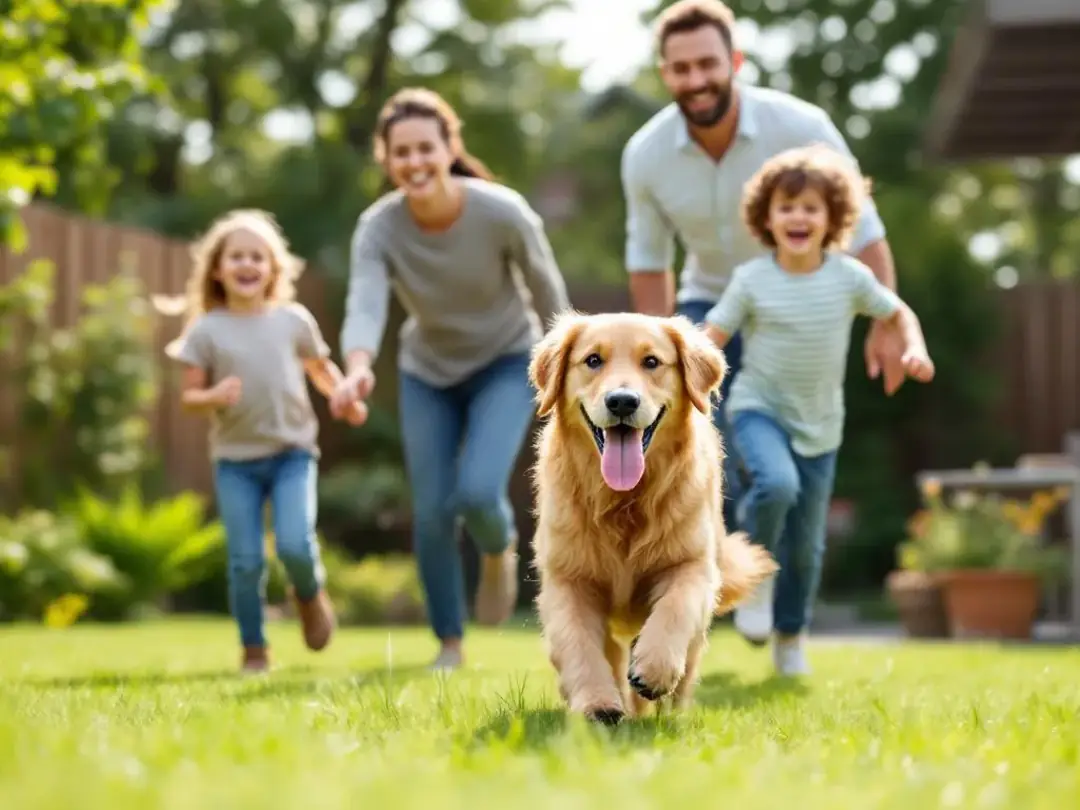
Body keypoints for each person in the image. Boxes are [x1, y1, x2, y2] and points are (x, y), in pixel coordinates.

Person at [619, 0, 907, 611]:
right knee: (711, 444)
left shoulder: (801, 126)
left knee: (783, 468)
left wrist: (887, 322)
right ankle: (726, 575)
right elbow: (649, 260)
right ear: (664, 73)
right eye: (679, 68)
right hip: (709, 301)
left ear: (736, 61)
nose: (695, 80)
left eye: (707, 64)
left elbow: (865, 230)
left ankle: (762, 578)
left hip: (797, 297)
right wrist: (651, 359)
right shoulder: (645, 154)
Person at [328, 88, 571, 672]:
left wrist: (566, 368)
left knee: (479, 492)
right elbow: (365, 303)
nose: (414, 162)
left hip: (506, 361)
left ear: (449, 148)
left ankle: (497, 548)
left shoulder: (502, 211)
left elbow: (548, 292)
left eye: (425, 149)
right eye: (400, 152)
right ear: (386, 159)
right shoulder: (379, 228)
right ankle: (449, 643)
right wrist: (357, 367)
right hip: (427, 372)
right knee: (434, 511)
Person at [702, 144, 935, 675]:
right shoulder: (752, 279)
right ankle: (752, 584)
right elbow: (712, 336)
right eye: (786, 207)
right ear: (767, 218)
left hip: (821, 426)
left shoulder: (849, 277)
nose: (798, 217)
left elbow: (898, 314)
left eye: (811, 207)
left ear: (833, 218)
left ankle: (790, 638)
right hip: (759, 409)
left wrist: (913, 348)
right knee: (776, 486)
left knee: (807, 546)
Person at [156, 209, 366, 674]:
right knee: (245, 561)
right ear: (217, 268)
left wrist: (343, 398)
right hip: (236, 463)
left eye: (257, 256)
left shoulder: (293, 320)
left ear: (274, 268)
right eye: (236, 257)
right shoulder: (206, 329)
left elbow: (320, 370)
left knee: (295, 544)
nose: (247, 265)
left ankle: (309, 596)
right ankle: (254, 650)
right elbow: (190, 397)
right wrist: (212, 394)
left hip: (293, 453)